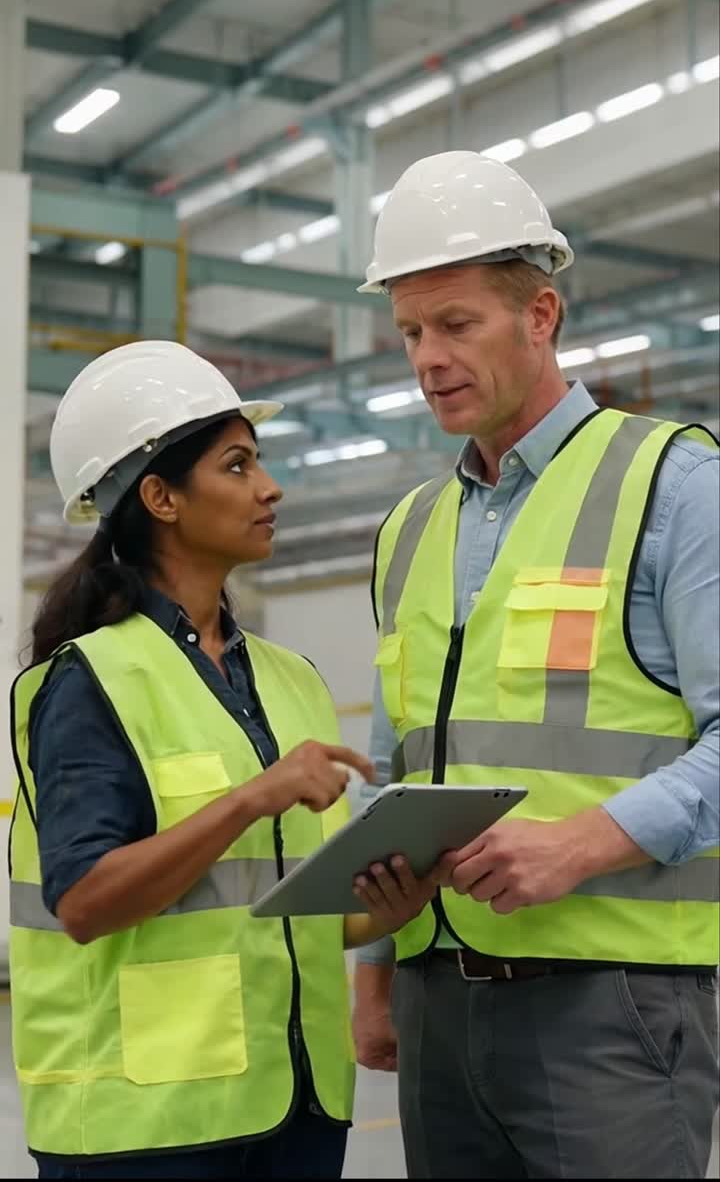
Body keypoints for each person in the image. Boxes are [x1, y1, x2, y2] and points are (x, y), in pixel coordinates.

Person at [350, 151, 720, 1179]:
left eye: (456, 324)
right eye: (411, 332)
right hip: (436, 1002)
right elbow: (397, 769)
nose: (427, 358)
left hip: (610, 997)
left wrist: (580, 843)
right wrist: (377, 971)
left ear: (541, 315)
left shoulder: (675, 485)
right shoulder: (411, 527)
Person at [8, 340, 435, 1181]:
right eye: (237, 466)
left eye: (260, 464)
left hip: (295, 1105)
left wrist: (391, 903)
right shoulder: (91, 681)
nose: (269, 487)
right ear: (160, 497)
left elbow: (279, 914)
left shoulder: (288, 681)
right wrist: (252, 799)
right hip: (147, 1123)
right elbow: (86, 901)